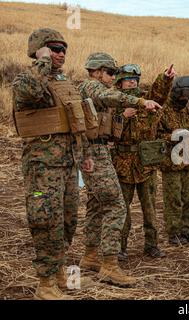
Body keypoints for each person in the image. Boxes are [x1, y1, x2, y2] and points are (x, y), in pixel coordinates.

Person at [12, 28, 94, 299]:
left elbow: (75, 124)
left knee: (68, 220)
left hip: (68, 164)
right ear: (40, 50)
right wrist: (42, 62)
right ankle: (44, 282)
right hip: (42, 168)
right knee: (46, 221)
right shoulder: (28, 79)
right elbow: (30, 91)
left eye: (63, 49)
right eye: (54, 48)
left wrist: (84, 157)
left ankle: (59, 269)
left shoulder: (64, 83)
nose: (61, 53)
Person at [78, 52, 160, 286]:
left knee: (95, 204)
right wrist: (141, 101)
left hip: (96, 149)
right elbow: (110, 96)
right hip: (93, 152)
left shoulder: (92, 89)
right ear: (96, 71)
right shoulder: (90, 86)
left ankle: (91, 255)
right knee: (115, 204)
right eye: (111, 72)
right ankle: (110, 265)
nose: (113, 77)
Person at [112, 63, 175, 260]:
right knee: (122, 209)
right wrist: (122, 116)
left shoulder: (145, 101)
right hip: (122, 163)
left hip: (146, 163)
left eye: (135, 79)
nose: (132, 82)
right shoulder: (113, 103)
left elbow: (158, 96)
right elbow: (104, 131)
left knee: (150, 208)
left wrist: (165, 78)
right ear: (119, 83)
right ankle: (120, 247)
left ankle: (151, 245)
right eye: (128, 79)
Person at [157, 76, 189, 245]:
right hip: (170, 162)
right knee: (173, 200)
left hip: (186, 159)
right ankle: (174, 233)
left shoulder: (185, 108)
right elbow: (155, 135)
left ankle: (187, 230)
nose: (186, 100)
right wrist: (173, 136)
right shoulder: (163, 108)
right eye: (184, 96)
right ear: (176, 92)